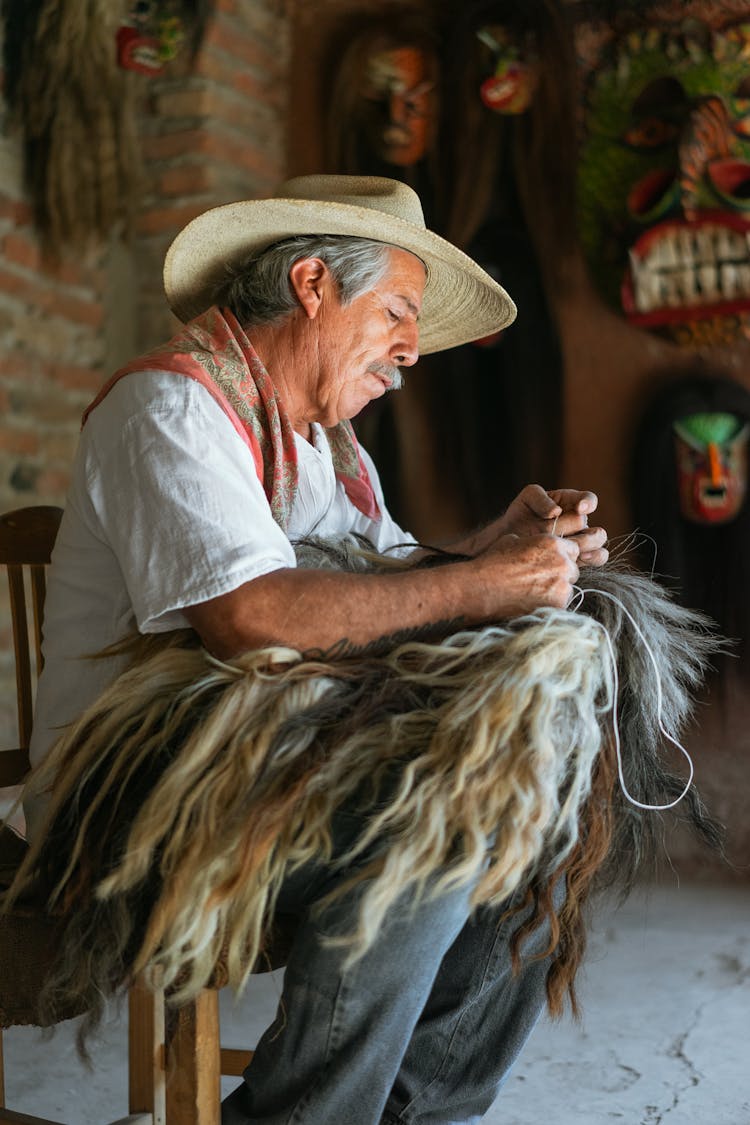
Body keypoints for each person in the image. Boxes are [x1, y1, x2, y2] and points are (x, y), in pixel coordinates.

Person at [27, 174, 608, 1124]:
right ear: (311, 284)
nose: (412, 349)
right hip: (125, 797)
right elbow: (251, 616)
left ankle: (417, 1113)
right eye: (398, 313)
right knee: (430, 815)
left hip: (261, 766)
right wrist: (483, 585)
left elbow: (380, 589)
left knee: (530, 802)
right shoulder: (168, 410)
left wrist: (494, 551)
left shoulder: (329, 451)